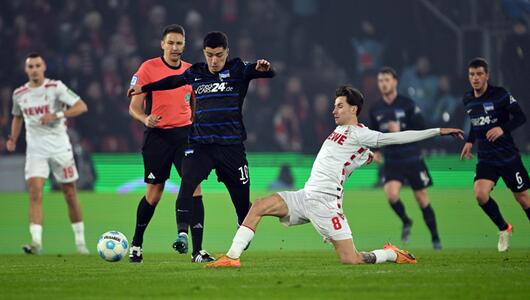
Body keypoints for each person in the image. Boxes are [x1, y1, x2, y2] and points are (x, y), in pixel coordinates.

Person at [206, 85, 463, 268]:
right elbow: (347, 160)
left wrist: (439, 131)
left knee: (351, 259)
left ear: (354, 109)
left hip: (327, 205)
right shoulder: (341, 131)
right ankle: (232, 256)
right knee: (259, 205)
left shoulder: (361, 134)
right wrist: (366, 158)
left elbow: (395, 138)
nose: (334, 110)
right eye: (334, 105)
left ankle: (391, 255)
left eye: (340, 106)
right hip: (306, 196)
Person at [129, 31, 275, 258]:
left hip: (231, 146)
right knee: (186, 186)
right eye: (209, 55)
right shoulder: (195, 72)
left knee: (241, 201)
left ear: (227, 52)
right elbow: (173, 81)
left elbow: (267, 72)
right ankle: (183, 237)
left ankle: (240, 224)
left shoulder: (238, 69)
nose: (214, 60)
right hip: (199, 145)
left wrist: (265, 68)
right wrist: (145, 88)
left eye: (218, 55)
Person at [127, 24, 211, 263]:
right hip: (158, 137)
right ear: (162, 44)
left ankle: (197, 250)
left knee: (194, 186)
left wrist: (193, 122)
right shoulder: (147, 68)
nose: (175, 47)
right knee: (154, 194)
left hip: (184, 136)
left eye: (179, 43)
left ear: (184, 46)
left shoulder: (189, 71)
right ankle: (136, 244)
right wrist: (145, 118)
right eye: (171, 43)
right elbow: (133, 107)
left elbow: (194, 101)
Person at [6, 53, 89, 255]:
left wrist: (58, 114)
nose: (34, 69)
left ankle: (80, 243)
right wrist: (13, 138)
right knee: (35, 192)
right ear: (26, 70)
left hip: (60, 147)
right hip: (36, 150)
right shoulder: (19, 94)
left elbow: (81, 106)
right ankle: (36, 242)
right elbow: (17, 117)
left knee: (69, 193)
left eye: (37, 65)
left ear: (44, 67)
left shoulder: (55, 87)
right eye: (30, 66)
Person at [460, 57, 530, 252]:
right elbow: (477, 123)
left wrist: (502, 128)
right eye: (472, 74)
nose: (475, 78)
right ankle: (504, 228)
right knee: (480, 195)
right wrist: (470, 141)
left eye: (479, 74)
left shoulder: (501, 95)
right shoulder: (467, 99)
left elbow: (521, 117)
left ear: (487, 76)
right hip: (486, 158)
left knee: (523, 199)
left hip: (508, 156)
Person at [369, 67, 442, 250]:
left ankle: (435, 239)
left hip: (412, 158)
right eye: (380, 80)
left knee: (422, 199)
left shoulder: (408, 104)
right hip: (392, 159)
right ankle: (406, 220)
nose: (383, 83)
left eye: (386, 79)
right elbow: (372, 134)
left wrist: (401, 129)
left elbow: (422, 127)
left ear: (395, 82)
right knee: (391, 195)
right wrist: (374, 150)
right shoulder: (375, 109)